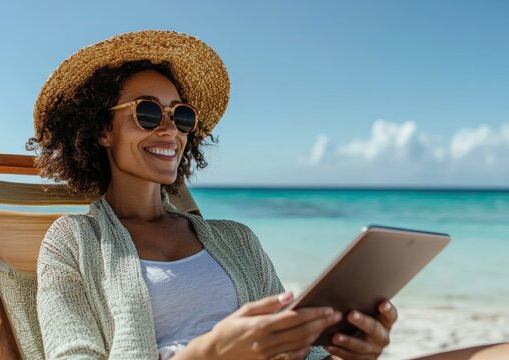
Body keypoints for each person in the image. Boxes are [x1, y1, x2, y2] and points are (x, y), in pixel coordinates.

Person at [30, 30, 397, 360]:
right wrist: (210, 352)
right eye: (147, 112)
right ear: (101, 130)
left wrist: (348, 351)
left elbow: (304, 353)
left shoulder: (237, 240)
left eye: (182, 116)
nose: (170, 130)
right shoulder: (73, 243)